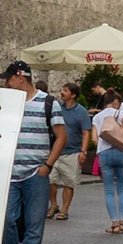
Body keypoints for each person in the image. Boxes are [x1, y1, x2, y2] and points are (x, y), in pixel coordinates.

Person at [0, 61, 66, 244]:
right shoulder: (6, 103)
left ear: (20, 77)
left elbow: (61, 137)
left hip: (36, 172)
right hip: (10, 172)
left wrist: (47, 165)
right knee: (7, 218)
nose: (6, 83)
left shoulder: (48, 103)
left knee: (35, 223)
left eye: (9, 79)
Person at [92, 87, 123, 232]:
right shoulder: (121, 113)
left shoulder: (97, 117)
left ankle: (114, 224)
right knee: (122, 188)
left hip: (105, 153)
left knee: (109, 190)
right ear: (116, 102)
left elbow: (94, 138)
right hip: (122, 152)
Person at [49, 82, 91, 220]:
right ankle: (54, 205)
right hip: (55, 150)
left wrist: (83, 151)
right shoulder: (57, 108)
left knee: (69, 183)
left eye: (65, 90)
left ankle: (65, 209)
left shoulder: (82, 112)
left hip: (72, 152)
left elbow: (85, 133)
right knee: (50, 180)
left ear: (73, 95)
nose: (62, 92)